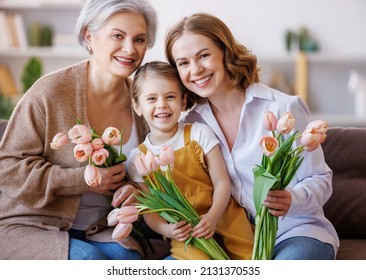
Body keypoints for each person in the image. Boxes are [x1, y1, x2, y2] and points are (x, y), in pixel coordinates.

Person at [165, 13, 340, 260]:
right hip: (236, 241)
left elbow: (320, 178)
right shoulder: (191, 125)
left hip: (295, 232)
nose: (195, 70)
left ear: (226, 52)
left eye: (204, 55)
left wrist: (293, 198)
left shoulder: (282, 108)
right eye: (183, 63)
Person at [0, 0, 158, 260]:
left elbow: (146, 174)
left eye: (139, 39)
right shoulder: (50, 92)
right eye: (117, 35)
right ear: (89, 36)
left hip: (103, 228)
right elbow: (7, 168)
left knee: (130, 261)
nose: (130, 49)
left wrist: (135, 191)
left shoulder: (142, 101)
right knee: (90, 262)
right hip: (33, 225)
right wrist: (83, 179)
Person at [127, 61, 254, 260]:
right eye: (151, 99)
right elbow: (150, 210)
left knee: (250, 260)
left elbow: (222, 182)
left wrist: (212, 217)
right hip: (186, 232)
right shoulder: (138, 158)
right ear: (137, 106)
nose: (162, 104)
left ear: (183, 102)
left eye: (170, 97)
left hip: (223, 217)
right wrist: (167, 230)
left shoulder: (198, 133)